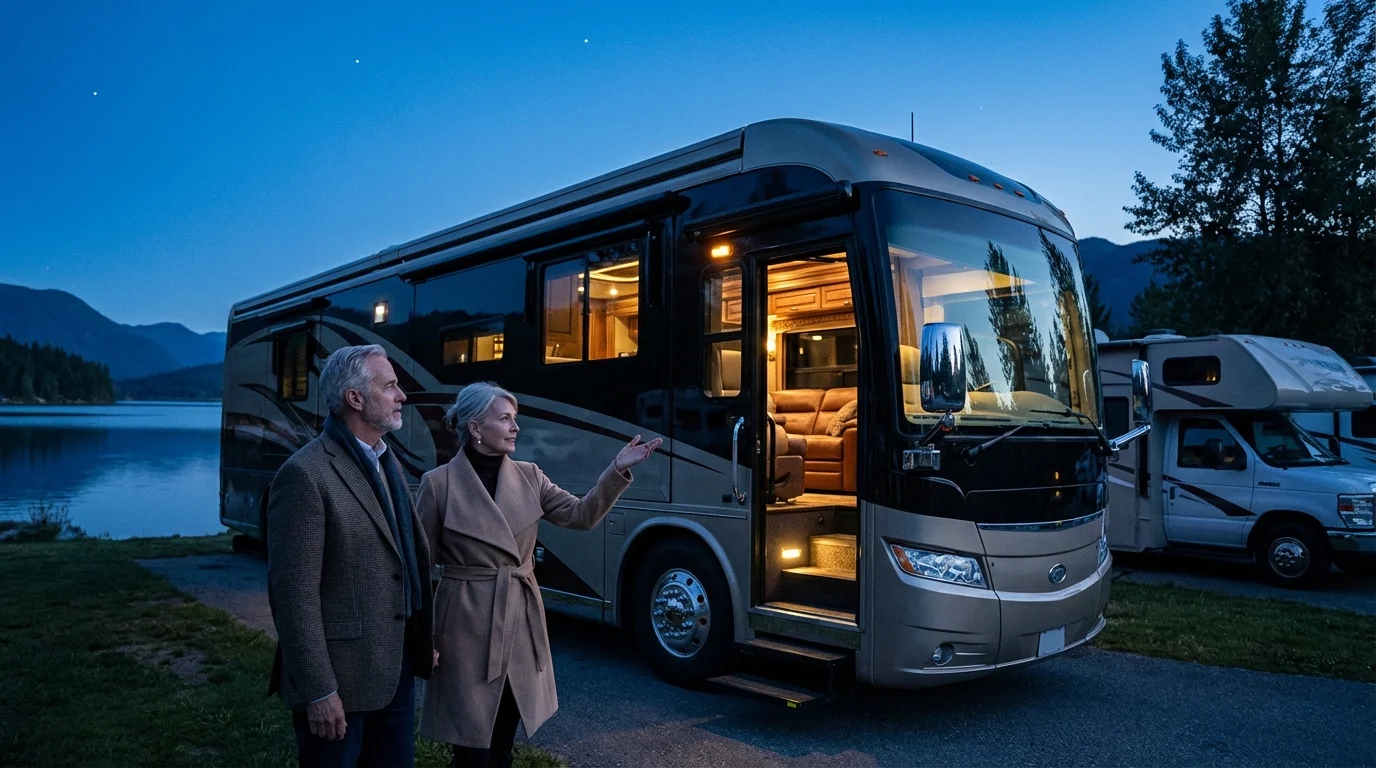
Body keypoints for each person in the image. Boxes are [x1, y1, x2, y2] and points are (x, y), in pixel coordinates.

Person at [417, 382, 660, 768]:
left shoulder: (530, 476)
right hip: (463, 627)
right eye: (505, 419)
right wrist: (422, 635)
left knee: (501, 748)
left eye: (515, 419)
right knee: (470, 751)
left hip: (518, 623)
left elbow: (582, 514)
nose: (515, 428)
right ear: (476, 428)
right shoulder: (438, 484)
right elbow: (420, 567)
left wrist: (616, 470)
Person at [266, 344, 436, 768]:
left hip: (392, 672)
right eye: (390, 386)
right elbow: (293, 596)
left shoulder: (385, 460)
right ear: (355, 399)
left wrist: (420, 638)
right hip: (339, 683)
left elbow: (401, 561)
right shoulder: (304, 474)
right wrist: (318, 690)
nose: (402, 396)